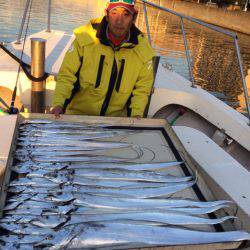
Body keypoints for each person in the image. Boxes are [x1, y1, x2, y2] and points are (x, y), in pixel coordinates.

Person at [51, 0, 155, 118]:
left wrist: (136, 115)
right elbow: (67, 75)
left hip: (116, 122)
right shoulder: (84, 40)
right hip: (78, 117)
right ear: (106, 15)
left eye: (126, 14)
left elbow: (142, 89)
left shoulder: (143, 50)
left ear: (134, 18)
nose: (119, 21)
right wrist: (58, 104)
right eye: (114, 13)